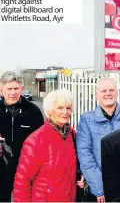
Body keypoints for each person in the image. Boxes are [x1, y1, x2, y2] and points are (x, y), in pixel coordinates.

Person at [13, 89, 85, 202]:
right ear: (50, 111)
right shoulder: (35, 140)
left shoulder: (72, 134)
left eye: (68, 108)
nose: (65, 112)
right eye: (60, 108)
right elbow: (22, 181)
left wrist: (81, 176)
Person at [76, 77, 120, 202]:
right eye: (104, 91)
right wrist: (99, 188)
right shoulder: (86, 120)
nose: (108, 93)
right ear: (97, 94)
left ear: (117, 92)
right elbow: (85, 155)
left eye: (111, 90)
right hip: (99, 191)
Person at [0, 71, 44, 202]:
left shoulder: (33, 111)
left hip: (26, 169)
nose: (13, 92)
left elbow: (42, 141)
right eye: (9, 89)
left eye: (16, 88)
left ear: (22, 89)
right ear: (1, 89)